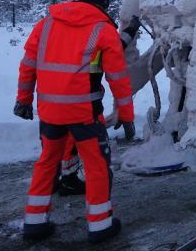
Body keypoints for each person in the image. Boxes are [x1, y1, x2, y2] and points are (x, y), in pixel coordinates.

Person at [14, 0, 135, 243]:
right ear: (103, 6)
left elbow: (27, 67)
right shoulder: (103, 30)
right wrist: (125, 114)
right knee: (96, 167)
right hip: (85, 114)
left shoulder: (44, 25)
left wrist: (23, 100)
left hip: (50, 113)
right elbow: (118, 78)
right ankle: (100, 225)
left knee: (47, 163)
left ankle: (34, 224)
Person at [57, 13, 141, 196]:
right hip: (83, 104)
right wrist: (132, 29)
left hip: (54, 100)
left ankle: (60, 179)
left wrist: (130, 30)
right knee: (93, 151)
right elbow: (115, 47)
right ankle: (79, 186)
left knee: (61, 141)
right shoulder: (98, 34)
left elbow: (115, 45)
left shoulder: (62, 33)